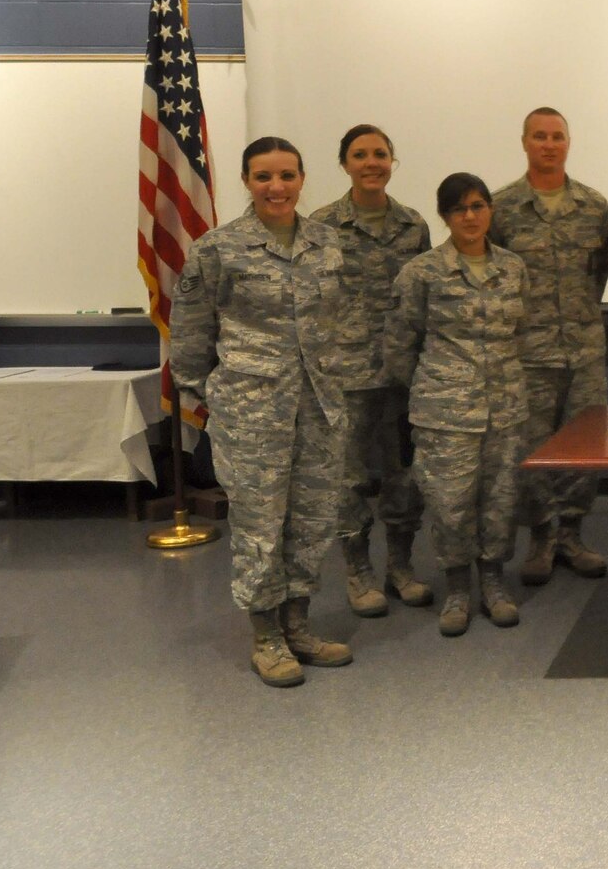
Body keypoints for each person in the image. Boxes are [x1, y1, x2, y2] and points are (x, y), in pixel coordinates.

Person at [170, 136, 353, 688]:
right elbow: (191, 333)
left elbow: (339, 319)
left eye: (287, 175)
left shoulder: (328, 243)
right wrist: (210, 396)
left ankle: (298, 625)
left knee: (312, 521)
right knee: (260, 527)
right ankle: (266, 636)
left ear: (302, 179)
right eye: (264, 176)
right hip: (252, 413)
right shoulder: (218, 249)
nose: (277, 187)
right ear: (247, 181)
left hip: (318, 408)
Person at [388, 174, 528, 637]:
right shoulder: (422, 273)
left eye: (478, 206)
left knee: (500, 500)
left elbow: (520, 332)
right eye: (458, 209)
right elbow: (401, 343)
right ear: (445, 216)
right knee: (450, 504)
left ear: (491, 210)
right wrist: (438, 387)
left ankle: (494, 582)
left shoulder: (513, 268)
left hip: (505, 408)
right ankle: (457, 588)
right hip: (445, 413)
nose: (470, 216)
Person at [309, 124, 432, 618]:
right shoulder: (322, 226)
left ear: (392, 161)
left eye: (380, 153)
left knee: (405, 476)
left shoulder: (413, 225)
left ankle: (400, 567)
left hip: (402, 376)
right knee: (350, 479)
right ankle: (358, 571)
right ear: (344, 164)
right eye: (360, 155)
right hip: (348, 378)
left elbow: (424, 296)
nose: (371, 162)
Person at [490, 107, 608, 586]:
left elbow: (600, 273)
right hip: (528, 351)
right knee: (531, 447)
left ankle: (572, 534)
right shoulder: (502, 207)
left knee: (586, 444)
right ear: (525, 142)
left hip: (584, 348)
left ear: (568, 142)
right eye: (539, 136)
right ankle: (542, 535)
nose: (548, 144)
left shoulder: (593, 205)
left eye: (557, 136)